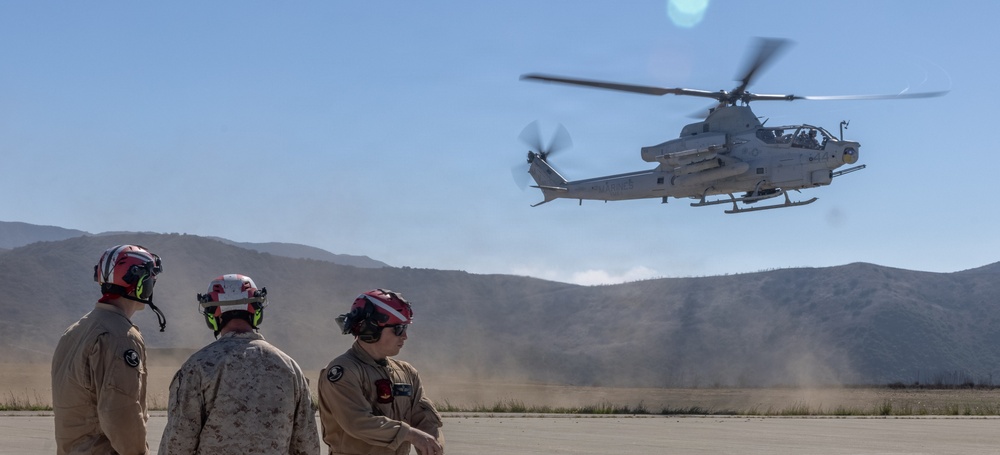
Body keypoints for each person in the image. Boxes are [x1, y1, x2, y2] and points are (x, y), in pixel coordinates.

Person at [158, 274, 319, 455]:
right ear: (256, 311)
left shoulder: (198, 367)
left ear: (212, 314)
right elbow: (306, 444)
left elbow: (179, 441)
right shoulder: (290, 368)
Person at [51, 244, 165, 455]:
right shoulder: (120, 336)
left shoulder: (75, 330)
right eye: (151, 278)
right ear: (140, 282)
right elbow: (121, 413)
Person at [318, 289, 444, 455]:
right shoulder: (343, 372)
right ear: (372, 328)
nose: (405, 336)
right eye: (398, 329)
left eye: (405, 328)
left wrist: (433, 446)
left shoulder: (406, 372)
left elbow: (425, 420)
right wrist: (410, 434)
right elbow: (358, 422)